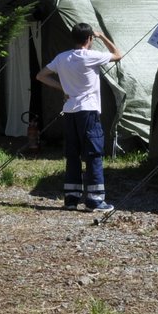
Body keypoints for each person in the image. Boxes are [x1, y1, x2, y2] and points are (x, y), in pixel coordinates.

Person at [36, 22, 123, 212]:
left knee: (72, 155)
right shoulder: (92, 56)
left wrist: (63, 88)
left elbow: (41, 75)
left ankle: (71, 199)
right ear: (89, 39)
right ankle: (95, 200)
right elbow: (117, 55)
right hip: (89, 112)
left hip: (70, 111)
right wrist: (102, 36)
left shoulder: (62, 58)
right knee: (93, 154)